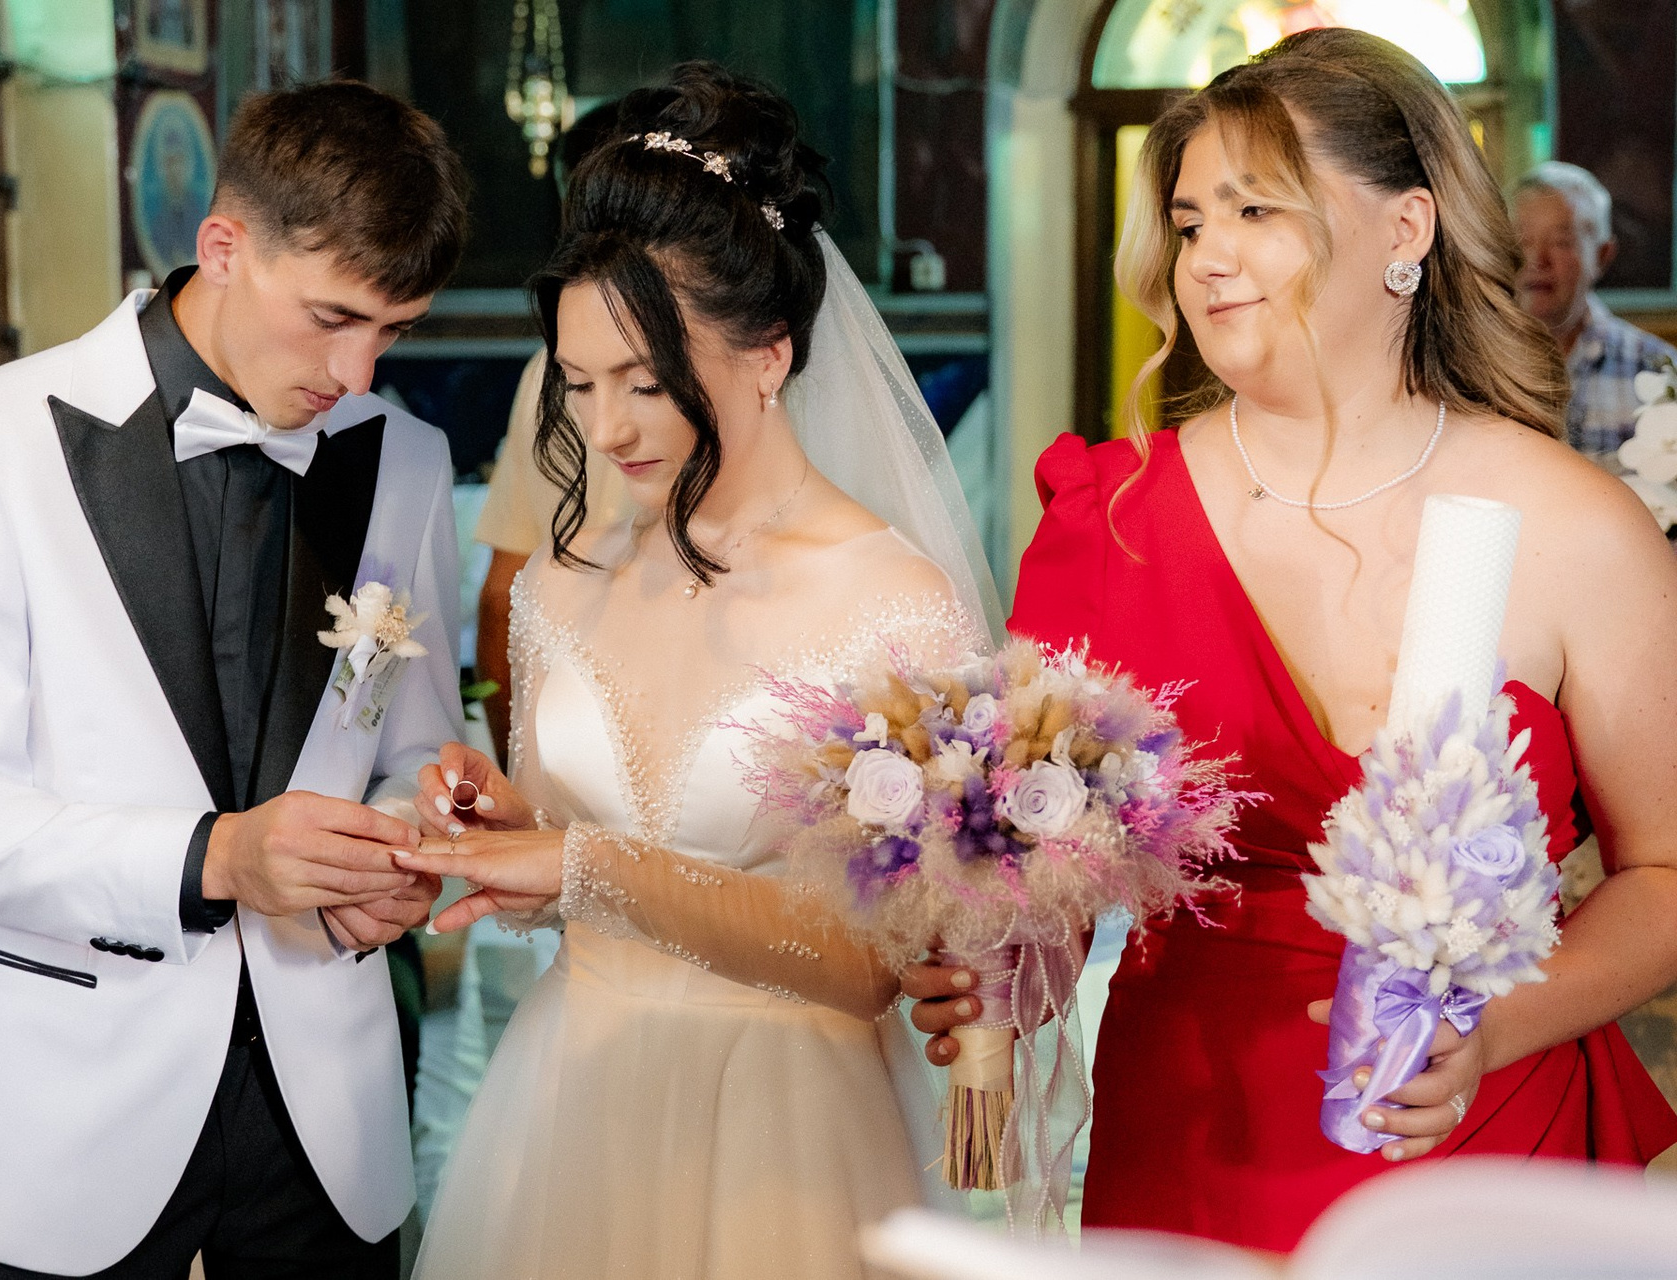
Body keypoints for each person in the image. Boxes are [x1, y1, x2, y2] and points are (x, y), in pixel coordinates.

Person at [907, 29, 1677, 1253]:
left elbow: (1666, 872)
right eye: (1190, 221)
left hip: (1480, 1153)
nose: (1207, 256)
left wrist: (1495, 1027)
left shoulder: (1575, 526)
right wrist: (995, 968)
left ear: (1408, 227)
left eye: (1255, 209)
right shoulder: (1111, 521)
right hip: (1199, 1143)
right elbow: (1053, 880)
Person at [393, 63, 1005, 1278]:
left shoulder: (890, 601)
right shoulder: (563, 580)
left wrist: (583, 864)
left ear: (769, 353)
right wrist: (510, 839)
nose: (605, 428)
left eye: (644, 381)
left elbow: (870, 966)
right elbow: (563, 868)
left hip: (786, 1131)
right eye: (577, 384)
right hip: (571, 1105)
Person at [0, 82, 469, 1278]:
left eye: (394, 331)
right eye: (333, 317)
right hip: (71, 1096)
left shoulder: (405, 460)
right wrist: (215, 856)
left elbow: (413, 750)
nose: (358, 372)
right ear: (224, 245)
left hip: (326, 1106)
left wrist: (403, 844)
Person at [472, 97, 634, 751]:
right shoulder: (548, 372)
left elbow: (500, 597)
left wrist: (514, 753)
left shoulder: (548, 369)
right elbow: (503, 597)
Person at [1513, 161, 1677, 462]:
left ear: (1602, 255)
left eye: (1561, 242)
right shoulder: (1467, 361)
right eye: (1521, 240)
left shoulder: (1656, 371)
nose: (1537, 259)